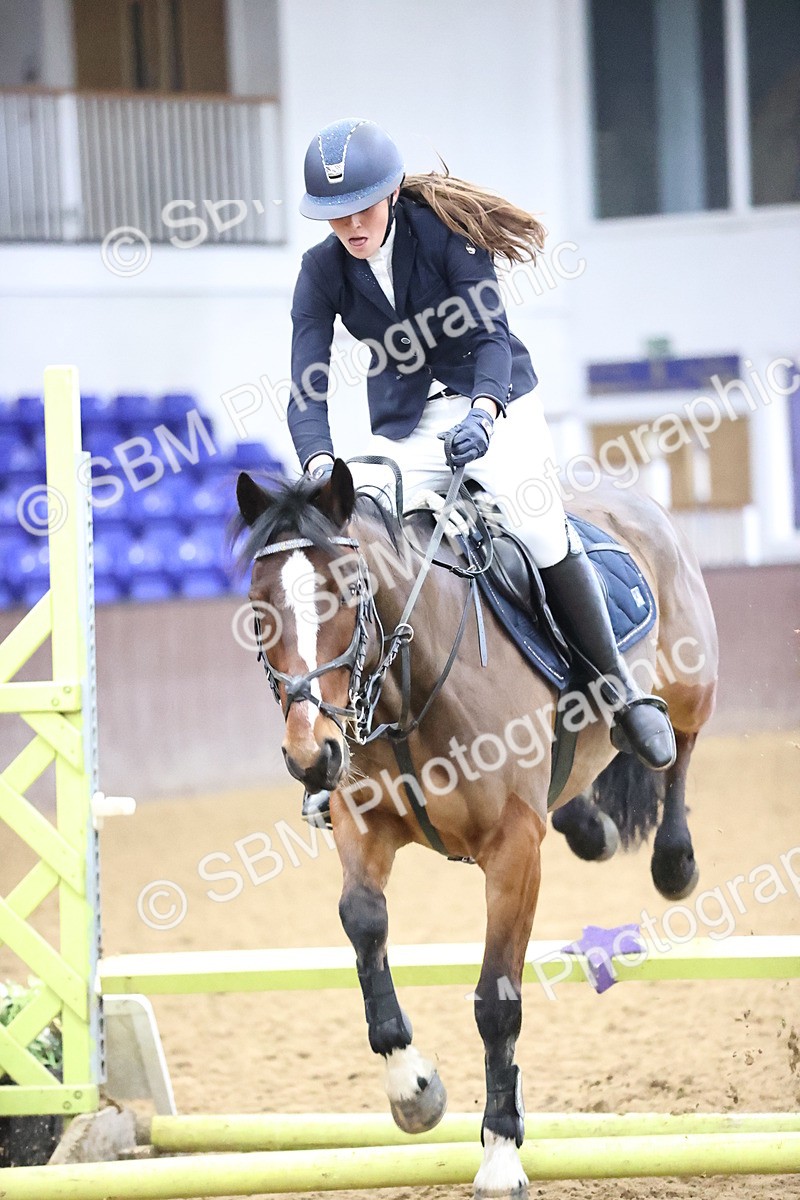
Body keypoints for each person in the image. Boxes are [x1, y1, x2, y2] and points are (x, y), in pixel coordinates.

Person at [287, 116, 676, 802]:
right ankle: (348, 741)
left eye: (362, 208)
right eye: (334, 215)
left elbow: (494, 337)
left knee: (537, 528)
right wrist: (320, 468)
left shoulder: (443, 235)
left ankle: (618, 693)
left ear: (393, 192)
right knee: (370, 550)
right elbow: (305, 390)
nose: (350, 226)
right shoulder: (320, 272)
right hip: (407, 427)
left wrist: (484, 414)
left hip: (496, 403)